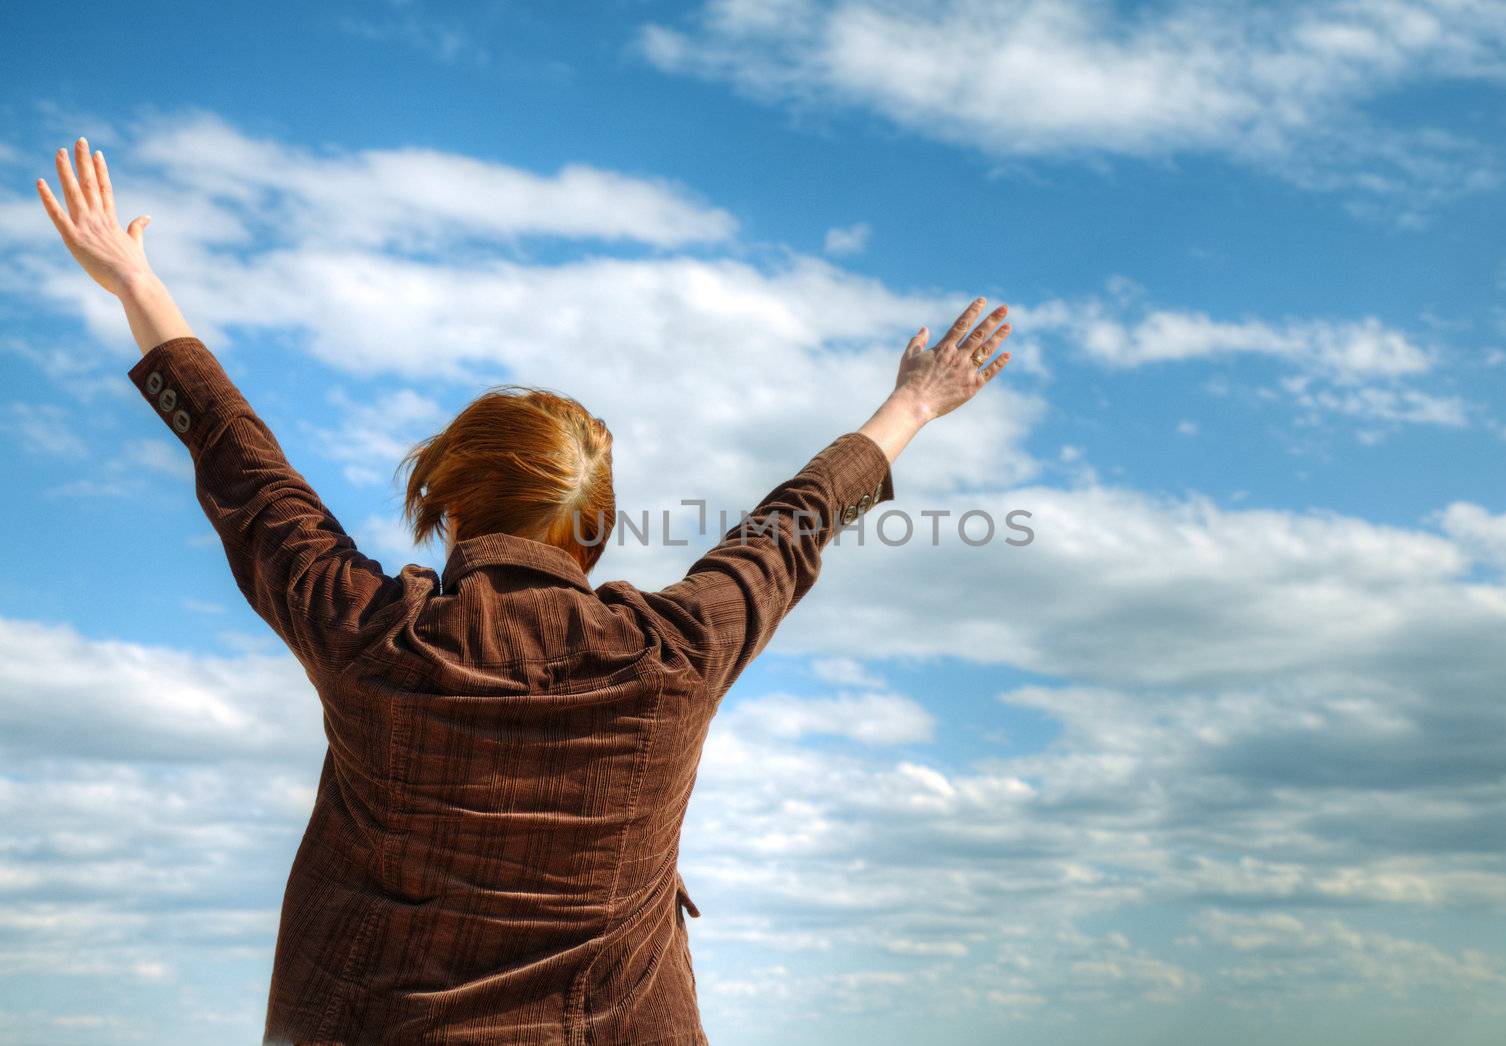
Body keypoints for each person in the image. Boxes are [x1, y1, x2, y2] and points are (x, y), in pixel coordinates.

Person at [37, 137, 1013, 1044]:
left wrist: (136, 281)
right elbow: (791, 526)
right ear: (598, 525)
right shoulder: (676, 653)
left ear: (447, 502)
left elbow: (244, 466)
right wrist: (914, 403)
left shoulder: (373, 637)